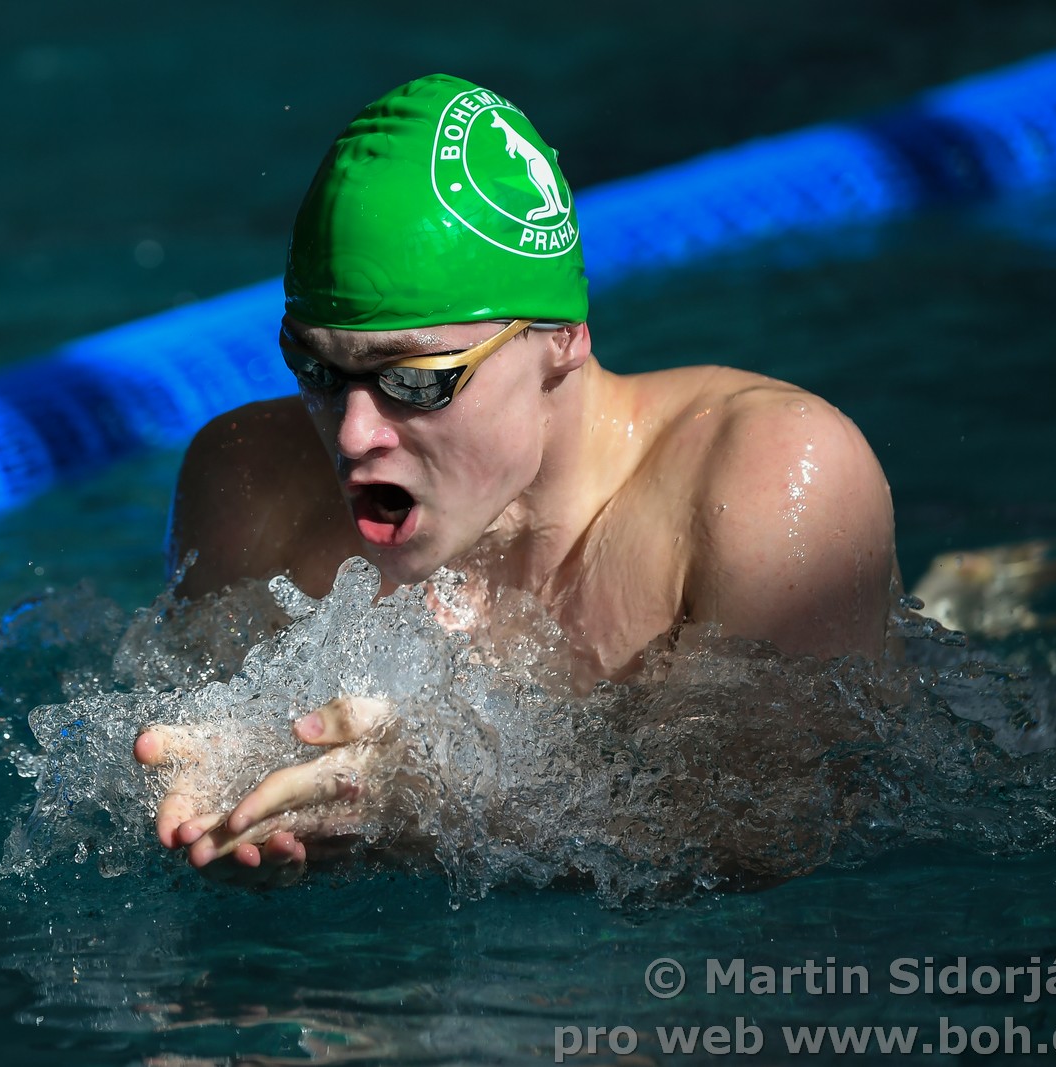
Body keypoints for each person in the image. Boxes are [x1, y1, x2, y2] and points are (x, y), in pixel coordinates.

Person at [133, 73, 899, 880]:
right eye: (318, 370)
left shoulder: (767, 483)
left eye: (415, 379)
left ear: (562, 339)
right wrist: (215, 783)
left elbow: (765, 842)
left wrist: (422, 801)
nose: (353, 434)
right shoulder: (249, 482)